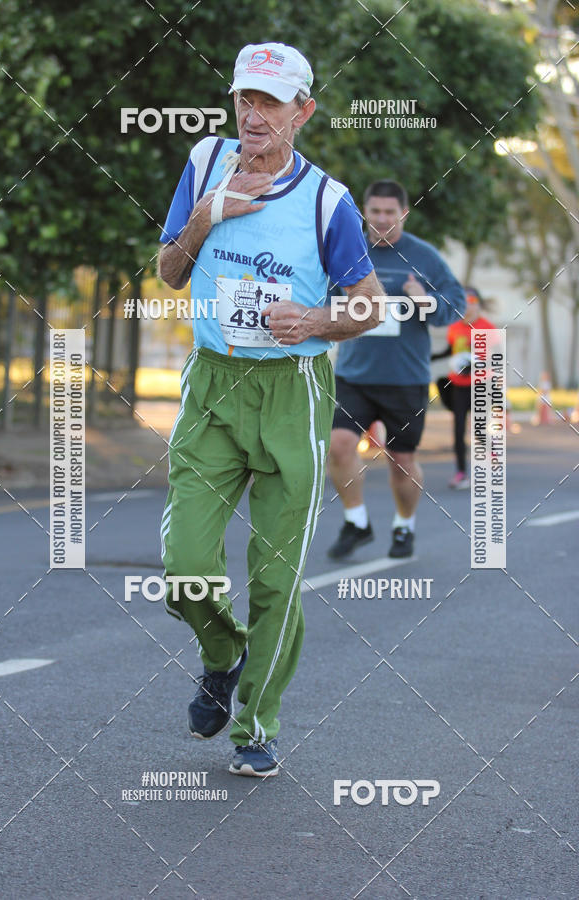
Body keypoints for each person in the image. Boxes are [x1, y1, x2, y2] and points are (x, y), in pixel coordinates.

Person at [157, 43, 382, 777]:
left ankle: (256, 725)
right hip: (214, 386)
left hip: (294, 392)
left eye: (271, 102)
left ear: (302, 112)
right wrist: (204, 217)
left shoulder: (329, 201)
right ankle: (223, 654)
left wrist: (316, 322)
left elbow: (369, 306)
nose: (254, 115)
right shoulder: (203, 162)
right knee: (184, 563)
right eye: (245, 99)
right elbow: (166, 270)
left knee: (277, 579)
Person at [327, 179, 466, 560]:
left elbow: (455, 305)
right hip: (354, 374)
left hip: (406, 379)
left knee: (401, 460)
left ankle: (403, 527)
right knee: (338, 446)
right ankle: (356, 522)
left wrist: (425, 301)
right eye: (375, 212)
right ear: (364, 213)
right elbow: (321, 296)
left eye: (390, 213)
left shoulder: (423, 256)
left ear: (403, 213)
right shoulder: (347, 250)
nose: (383, 219)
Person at [432, 287, 496, 488]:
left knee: (478, 429)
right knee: (458, 429)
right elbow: (451, 350)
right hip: (458, 385)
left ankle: (492, 457)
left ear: (478, 305)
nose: (468, 307)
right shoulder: (455, 327)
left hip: (481, 386)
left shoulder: (488, 329)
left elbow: (495, 359)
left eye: (472, 302)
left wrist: (475, 366)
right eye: (464, 302)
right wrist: (432, 357)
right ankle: (461, 473)